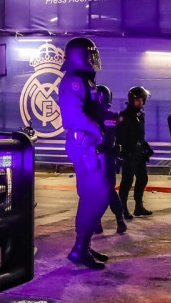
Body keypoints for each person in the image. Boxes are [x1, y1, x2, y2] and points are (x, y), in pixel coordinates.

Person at [57, 37, 109, 269]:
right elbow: (75, 116)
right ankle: (79, 248)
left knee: (95, 195)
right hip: (84, 146)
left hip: (90, 144)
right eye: (89, 54)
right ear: (79, 56)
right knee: (96, 195)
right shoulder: (74, 81)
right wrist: (98, 129)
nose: (92, 59)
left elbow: (92, 109)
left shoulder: (84, 80)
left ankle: (83, 245)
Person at [93, 85, 127, 234]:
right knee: (109, 191)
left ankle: (98, 222)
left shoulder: (91, 116)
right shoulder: (112, 117)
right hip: (108, 159)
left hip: (96, 159)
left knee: (97, 191)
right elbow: (117, 137)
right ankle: (118, 220)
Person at [118, 86, 153, 217]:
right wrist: (125, 151)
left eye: (142, 100)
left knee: (143, 179)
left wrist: (144, 146)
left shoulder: (140, 115)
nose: (140, 102)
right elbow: (120, 135)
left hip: (139, 154)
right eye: (137, 100)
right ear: (132, 100)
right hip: (129, 154)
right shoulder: (124, 116)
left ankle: (139, 206)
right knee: (127, 181)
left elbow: (139, 135)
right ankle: (123, 208)